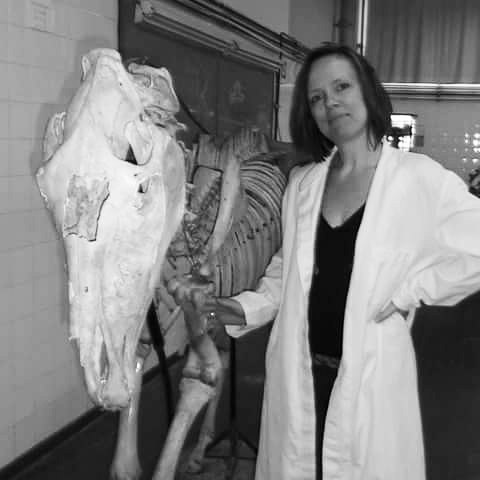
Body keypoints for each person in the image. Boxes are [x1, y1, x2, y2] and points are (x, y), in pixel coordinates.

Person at [168, 43, 480, 480]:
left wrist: (413, 290)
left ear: (368, 91)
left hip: (370, 379)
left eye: (341, 87)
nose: (330, 103)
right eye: (316, 97)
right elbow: (287, 271)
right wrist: (241, 307)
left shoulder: (418, 179)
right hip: (299, 375)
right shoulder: (304, 183)